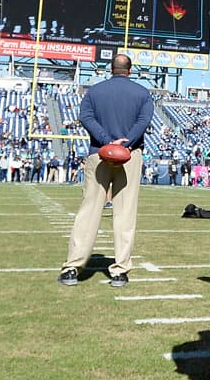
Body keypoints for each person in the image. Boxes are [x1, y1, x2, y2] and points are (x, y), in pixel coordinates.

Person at [57, 53, 154, 288]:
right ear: (130, 71)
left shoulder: (95, 92)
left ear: (111, 69)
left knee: (89, 210)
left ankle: (73, 267)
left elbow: (85, 117)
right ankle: (120, 270)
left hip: (98, 153)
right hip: (129, 156)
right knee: (125, 213)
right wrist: (126, 142)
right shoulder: (142, 93)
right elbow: (144, 121)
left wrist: (106, 142)